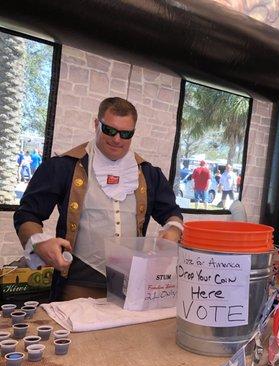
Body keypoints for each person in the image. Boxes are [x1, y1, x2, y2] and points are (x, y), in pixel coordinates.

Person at [14, 97, 183, 301]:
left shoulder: (149, 174)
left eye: (125, 133)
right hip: (79, 282)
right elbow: (27, 213)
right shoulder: (63, 166)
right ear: (97, 124)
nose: (117, 139)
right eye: (109, 130)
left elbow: (171, 212)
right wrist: (39, 243)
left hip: (130, 283)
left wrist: (173, 230)